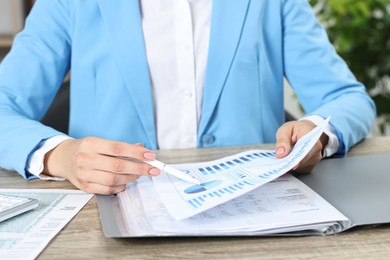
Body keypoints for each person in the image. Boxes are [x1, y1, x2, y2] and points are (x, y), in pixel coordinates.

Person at [0, 0, 376, 195]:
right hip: (105, 211)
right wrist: (60, 155)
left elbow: (348, 98)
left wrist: (317, 132)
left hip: (255, 214)